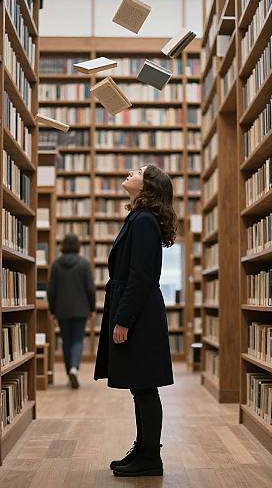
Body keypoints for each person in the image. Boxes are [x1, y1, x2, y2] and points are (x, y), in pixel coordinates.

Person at [94, 164, 176, 477]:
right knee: (140, 387)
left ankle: (150, 457)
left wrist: (123, 320)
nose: (130, 171)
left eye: (139, 170)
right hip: (138, 312)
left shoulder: (143, 222)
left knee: (144, 388)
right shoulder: (139, 218)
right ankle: (143, 450)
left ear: (149, 185)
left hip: (139, 316)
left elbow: (141, 276)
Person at [47, 233, 95, 389]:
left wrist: (52, 309)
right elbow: (90, 289)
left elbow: (51, 290)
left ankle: (70, 373)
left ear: (63, 246)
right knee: (77, 340)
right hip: (81, 309)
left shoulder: (56, 264)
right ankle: (74, 368)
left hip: (61, 309)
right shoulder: (84, 264)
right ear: (78, 246)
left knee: (66, 341)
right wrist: (92, 308)